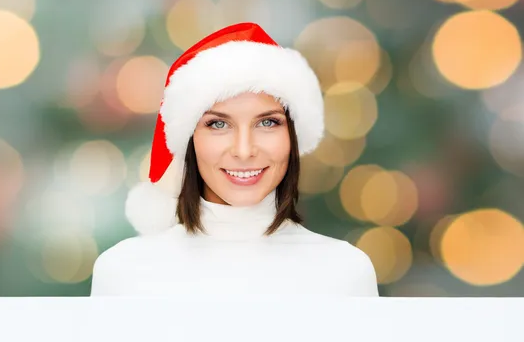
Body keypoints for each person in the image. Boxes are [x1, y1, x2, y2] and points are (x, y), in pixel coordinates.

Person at [90, 23, 379, 296]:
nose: (244, 151)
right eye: (218, 124)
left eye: (267, 123)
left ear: (292, 136)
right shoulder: (124, 273)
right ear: (189, 139)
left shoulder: (345, 273)